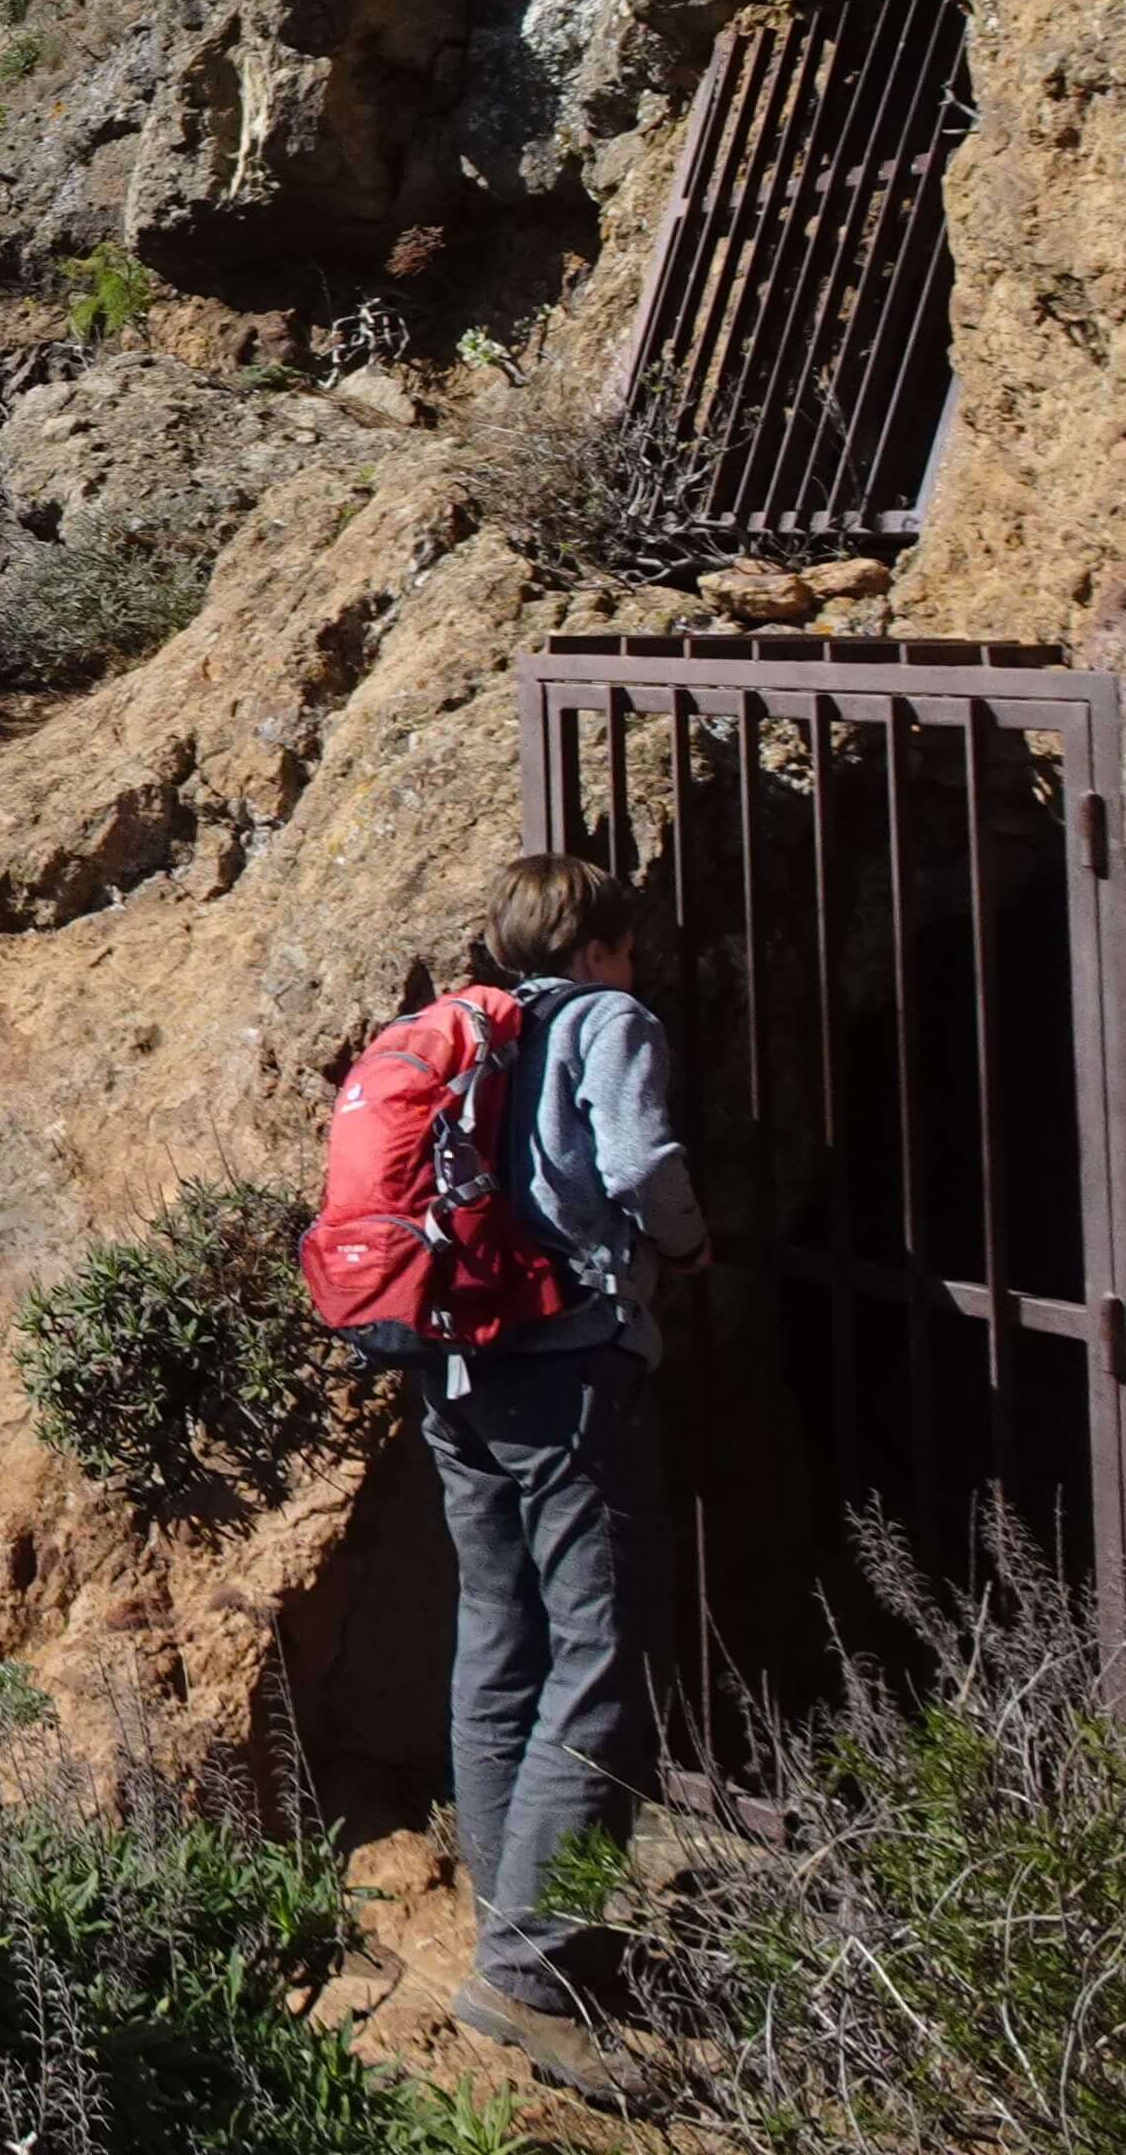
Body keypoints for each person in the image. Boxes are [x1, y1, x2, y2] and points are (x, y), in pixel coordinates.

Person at [433, 850, 706, 2096]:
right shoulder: (611, 1020)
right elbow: (640, 1161)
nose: (634, 964)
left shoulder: (462, 1027)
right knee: (598, 1652)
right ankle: (531, 1977)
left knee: (501, 1639)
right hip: (568, 1363)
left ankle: (509, 1917)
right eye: (628, 945)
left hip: (454, 1369)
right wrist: (691, 1252)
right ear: (597, 947)